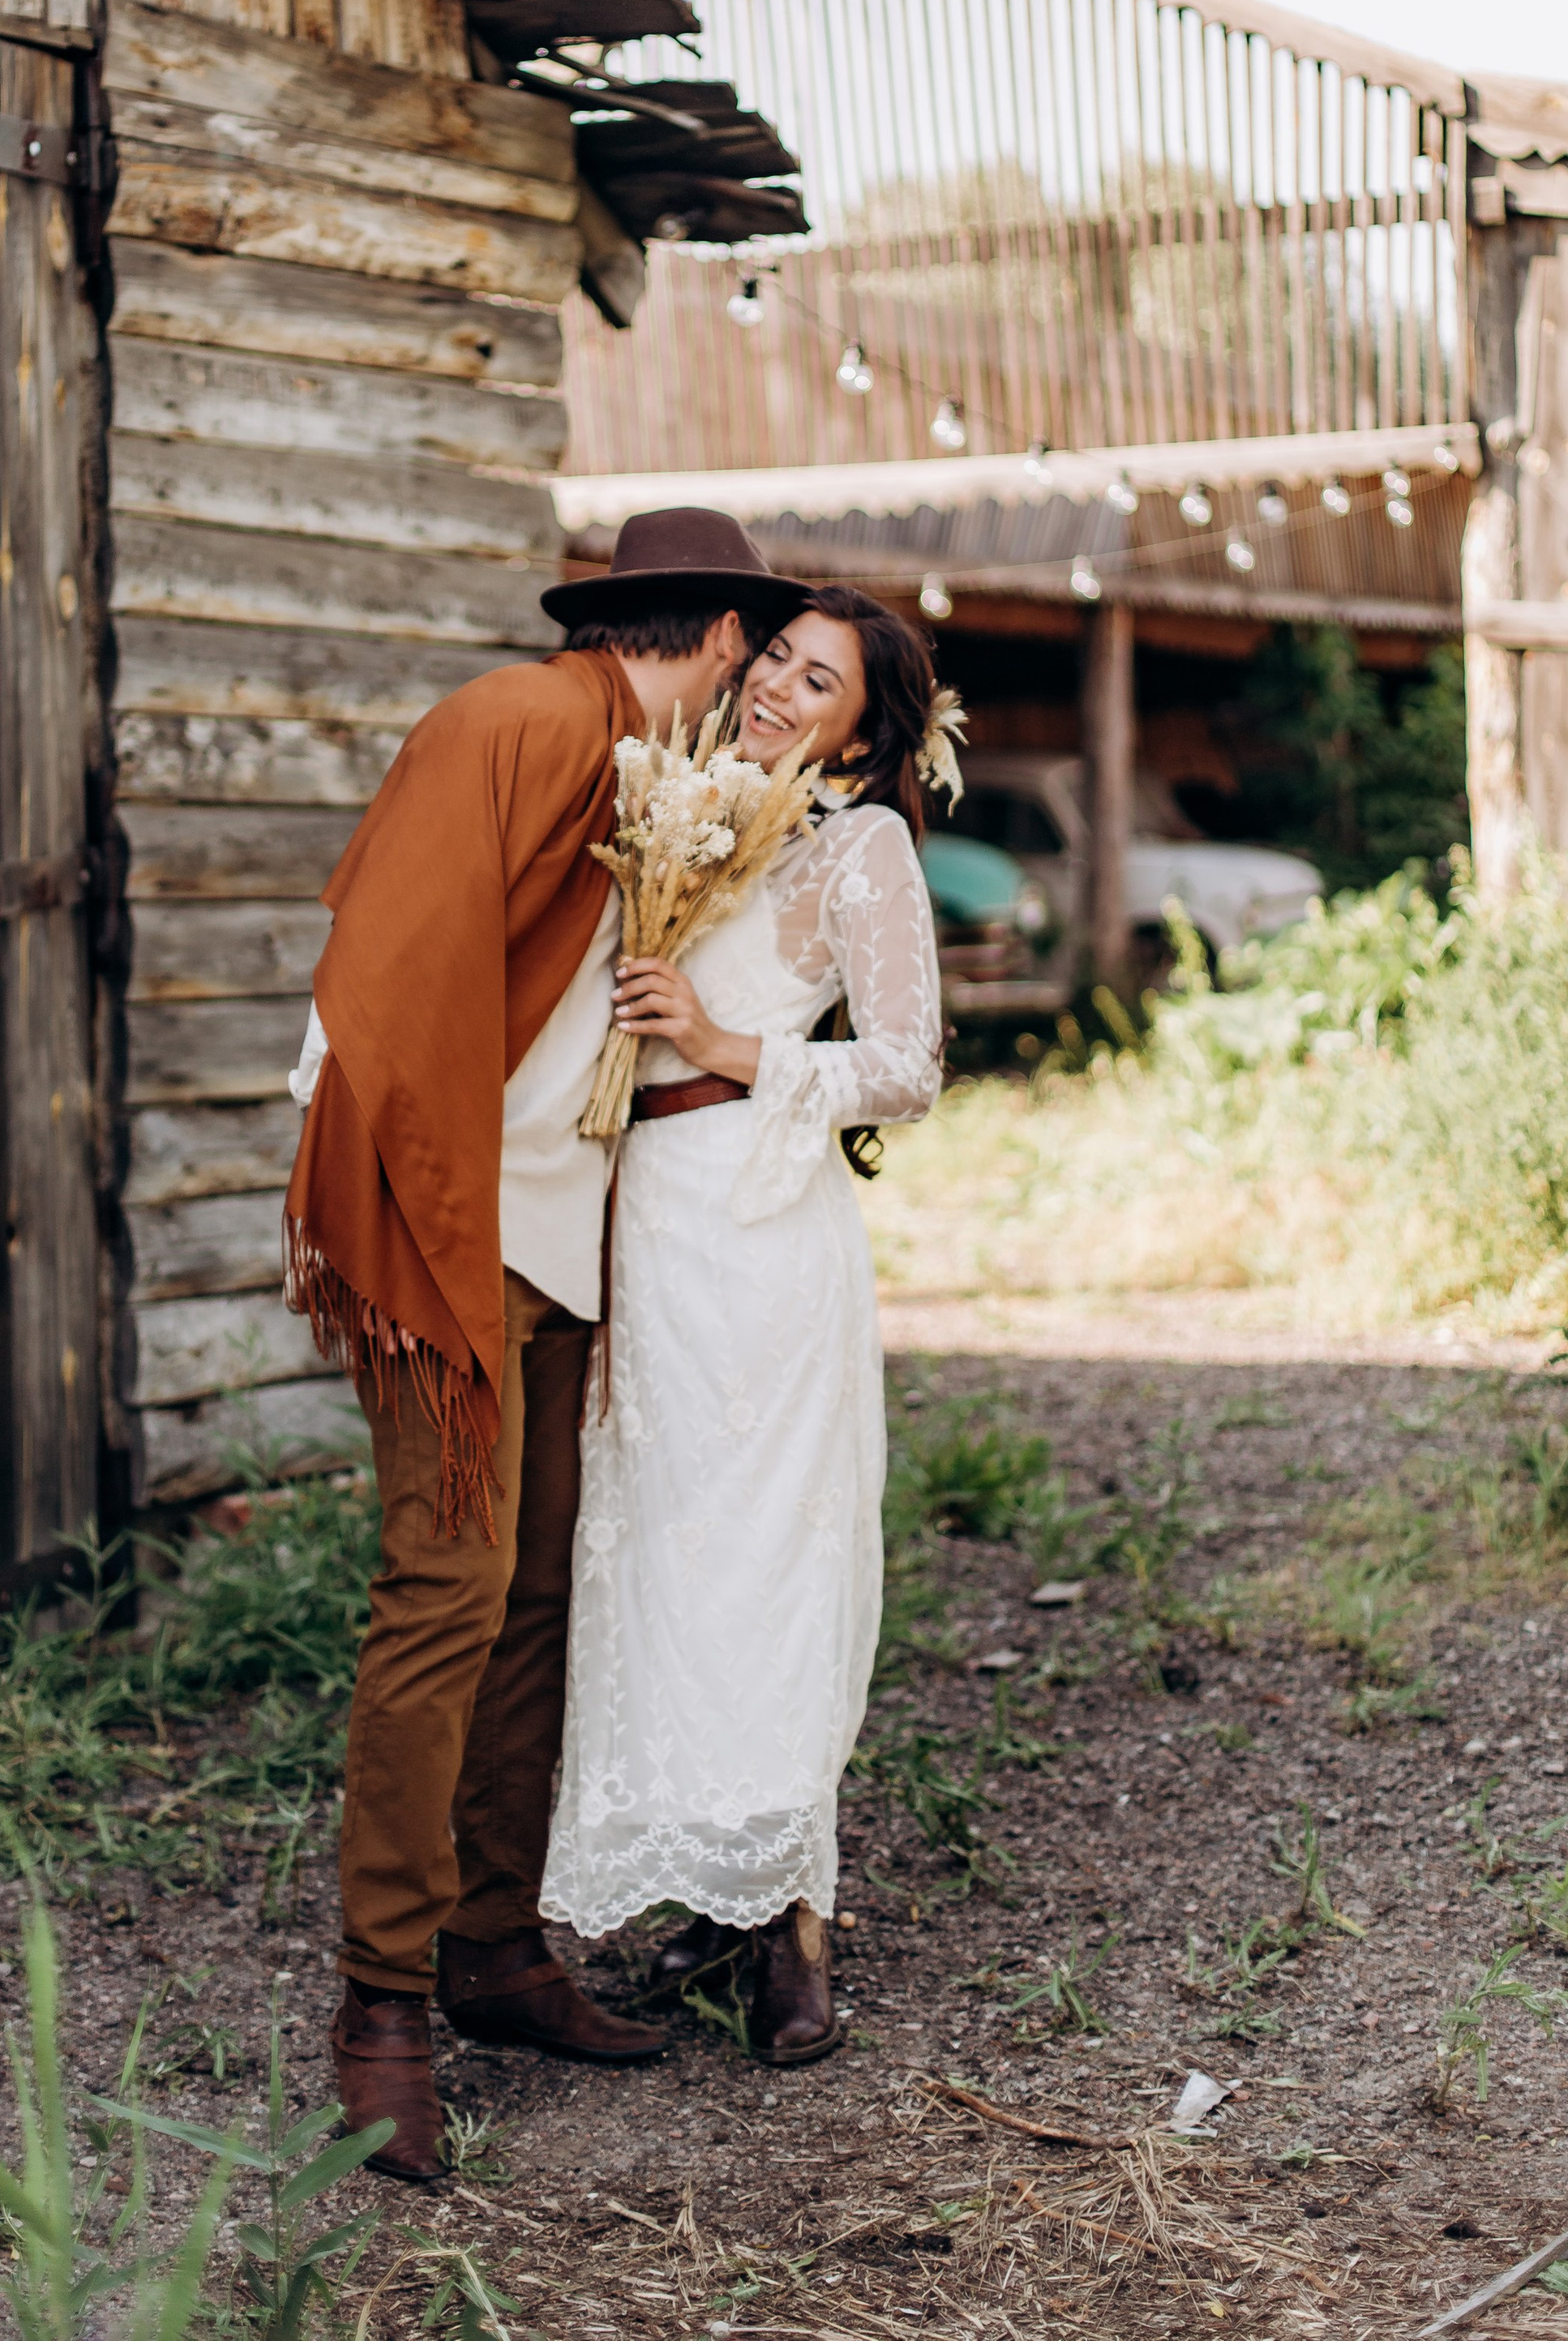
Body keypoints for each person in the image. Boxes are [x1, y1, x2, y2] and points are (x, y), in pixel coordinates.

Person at [283, 506, 808, 2181]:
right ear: (717, 634)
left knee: (534, 1594)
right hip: (445, 1223)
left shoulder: (660, 775)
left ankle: (493, 1949)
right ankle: (379, 2009)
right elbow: (380, 978)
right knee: (444, 1589)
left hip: (566, 1241)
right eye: (752, 653)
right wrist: (405, 1216)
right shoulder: (512, 721)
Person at [541, 585, 949, 2064]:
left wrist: (727, 1045)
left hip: (767, 1225)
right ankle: (713, 1896)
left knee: (771, 1556)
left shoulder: (863, 847)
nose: (778, 685)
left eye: (819, 680)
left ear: (864, 733)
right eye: (776, 656)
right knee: (663, 1551)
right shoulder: (687, 810)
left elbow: (908, 1066)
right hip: (649, 1218)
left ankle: (795, 1925)